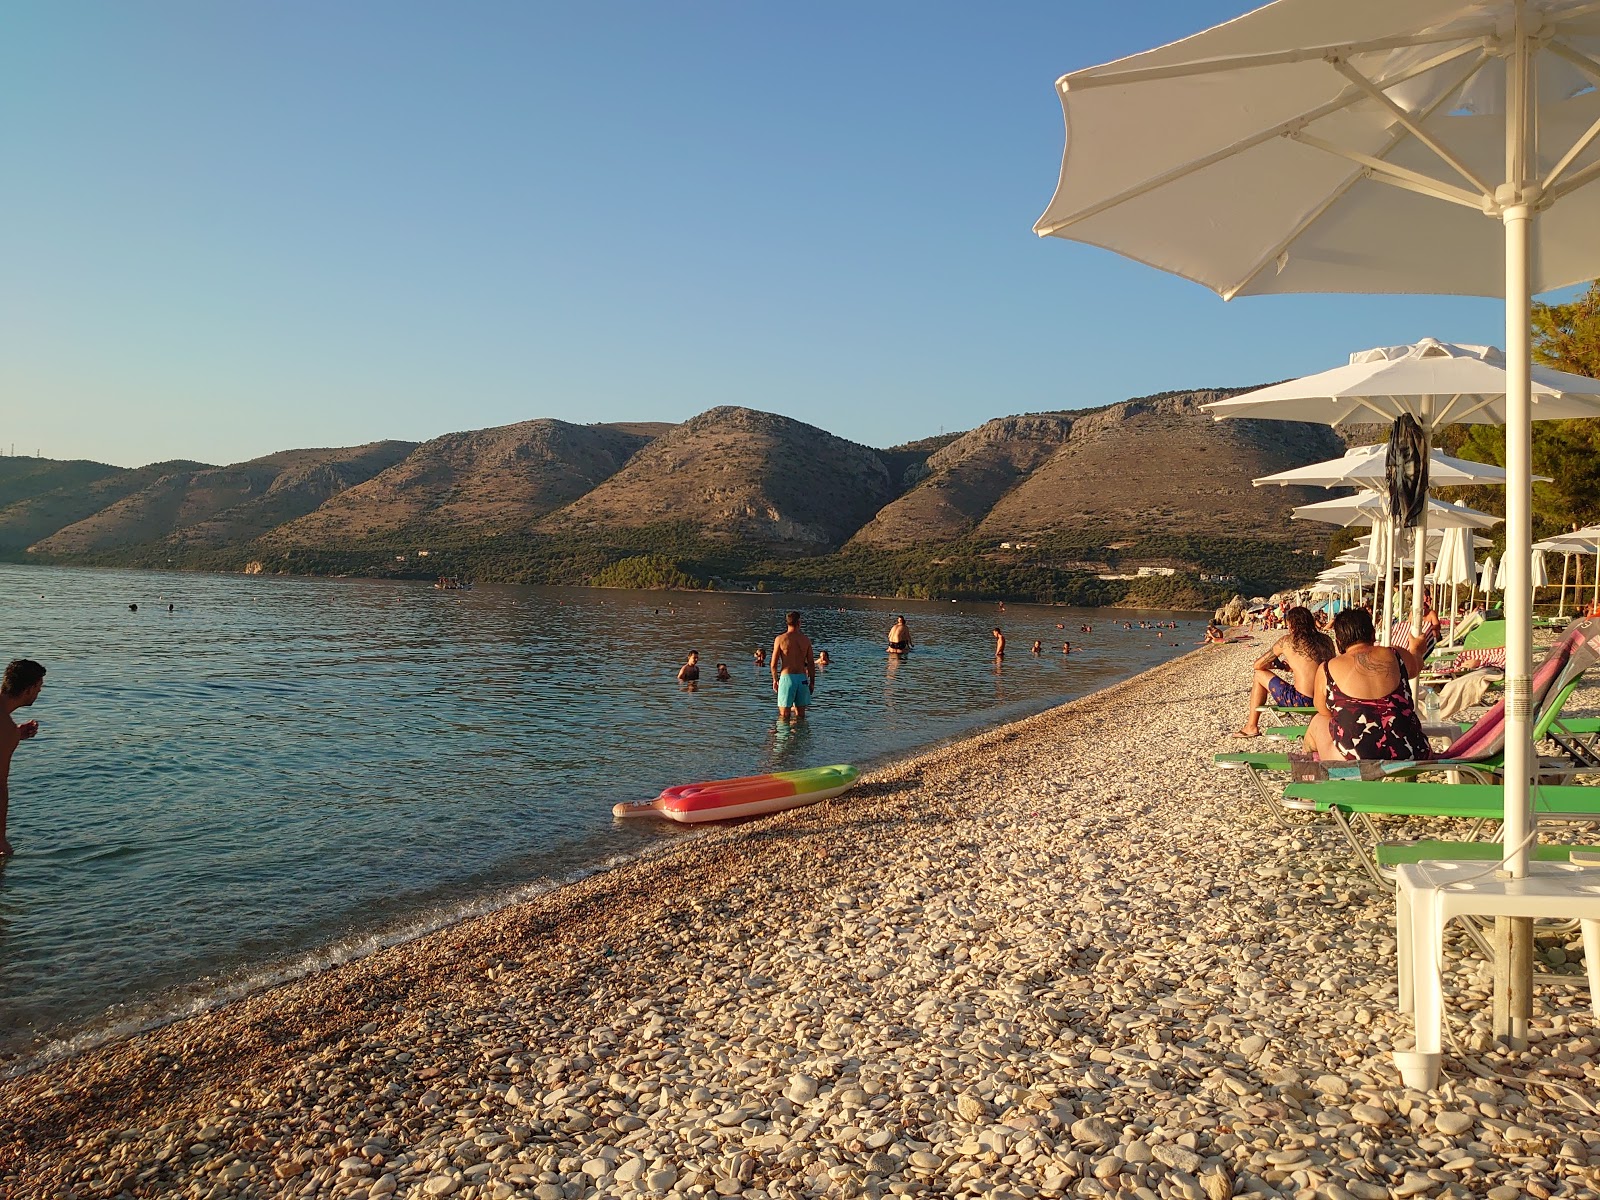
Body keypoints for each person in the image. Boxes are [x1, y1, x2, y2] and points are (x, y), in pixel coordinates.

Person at [1305, 608, 1432, 762]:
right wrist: (1416, 649)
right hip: (1413, 751)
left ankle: (1307, 763)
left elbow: (1323, 710)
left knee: (1318, 721)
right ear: (1372, 634)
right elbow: (1416, 666)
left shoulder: (1327, 669)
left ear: (1338, 642)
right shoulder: (1396, 655)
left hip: (1357, 758)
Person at [1233, 606, 1335, 738]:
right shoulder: (1326, 640)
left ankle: (1251, 726)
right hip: (1326, 700)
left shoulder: (1287, 641)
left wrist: (1274, 665)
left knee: (1259, 675)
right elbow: (1318, 666)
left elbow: (1257, 665)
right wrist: (1289, 666)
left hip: (1302, 701)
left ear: (1291, 624)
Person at [1, 659, 46, 858]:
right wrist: (0, 838)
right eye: (39, 687)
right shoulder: (5, 728)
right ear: (28, 689)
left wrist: (16, 734)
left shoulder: (7, 728)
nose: (39, 692)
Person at [771, 611, 816, 722]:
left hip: (787, 678)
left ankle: (783, 739)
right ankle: (800, 738)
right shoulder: (806, 640)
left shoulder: (780, 639)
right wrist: (812, 682)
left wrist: (775, 680)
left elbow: (773, 664)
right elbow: (810, 663)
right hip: (802, 679)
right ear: (799, 623)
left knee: (784, 716)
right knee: (801, 716)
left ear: (787, 623)